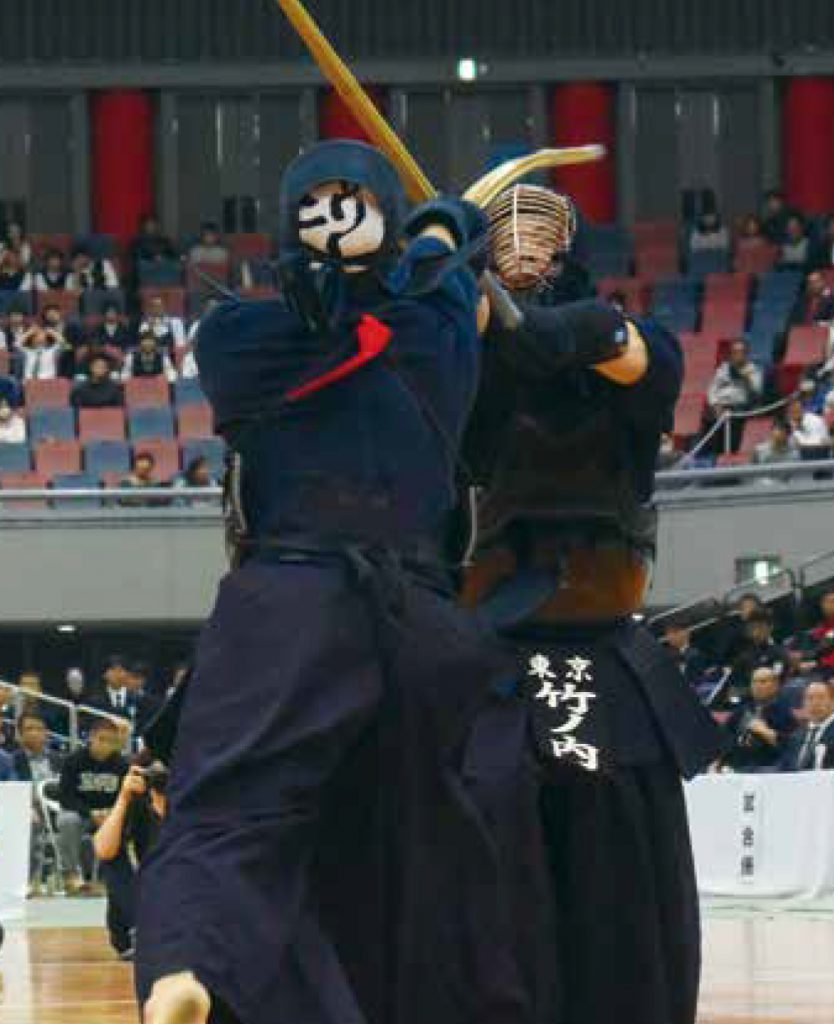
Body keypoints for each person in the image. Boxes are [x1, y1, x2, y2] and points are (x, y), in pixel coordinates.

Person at [136, 141, 522, 1024]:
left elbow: (331, 336)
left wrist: (421, 254)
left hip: (290, 600)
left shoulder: (236, 336)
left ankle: (188, 967)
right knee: (426, 845)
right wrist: (440, 235)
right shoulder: (438, 329)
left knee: (232, 810)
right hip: (424, 621)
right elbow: (443, 285)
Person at [459, 183, 724, 1024]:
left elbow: (627, 352)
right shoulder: (466, 362)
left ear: (573, 246)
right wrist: (458, 299)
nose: (522, 243)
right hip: (488, 659)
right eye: (502, 231)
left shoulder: (637, 347)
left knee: (621, 900)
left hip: (602, 652)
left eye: (541, 229)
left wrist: (547, 331)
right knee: (493, 891)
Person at [94, 753, 168, 959]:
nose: (161, 779)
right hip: (142, 906)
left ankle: (149, 934)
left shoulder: (191, 802)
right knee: (113, 857)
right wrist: (124, 797)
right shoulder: (138, 802)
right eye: (155, 774)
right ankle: (140, 930)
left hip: (181, 898)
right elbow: (103, 849)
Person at [56, 718, 128, 893]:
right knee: (67, 821)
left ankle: (109, 877)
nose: (105, 745)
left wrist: (111, 814)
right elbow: (65, 797)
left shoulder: (122, 765)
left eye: (111, 741)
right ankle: (71, 875)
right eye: (101, 739)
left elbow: (125, 797)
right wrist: (90, 812)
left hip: (110, 815)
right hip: (81, 814)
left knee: (126, 822)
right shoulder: (73, 761)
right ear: (91, 738)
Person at [12, 712, 63, 894]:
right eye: (29, 729)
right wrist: (27, 807)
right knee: (29, 824)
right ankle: (26, 882)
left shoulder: (60, 759)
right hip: (27, 810)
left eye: (39, 729)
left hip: (57, 810)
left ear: (47, 733)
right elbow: (12, 790)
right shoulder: (12, 760)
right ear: (19, 734)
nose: (35, 733)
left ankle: (74, 879)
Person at [721, 666, 795, 771]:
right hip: (736, 766)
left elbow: (791, 746)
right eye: (754, 682)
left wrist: (766, 732)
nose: (757, 686)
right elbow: (724, 737)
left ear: (775, 685)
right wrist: (718, 760)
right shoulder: (742, 710)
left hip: (768, 767)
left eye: (763, 682)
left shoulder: (784, 711)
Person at [706, 339, 764, 453]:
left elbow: (757, 392)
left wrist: (746, 378)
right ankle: (713, 457)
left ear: (746, 354)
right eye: (734, 352)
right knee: (707, 421)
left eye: (740, 352)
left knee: (733, 425)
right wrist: (715, 404)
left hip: (739, 408)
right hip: (720, 408)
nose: (737, 355)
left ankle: (732, 454)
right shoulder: (723, 369)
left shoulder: (753, 370)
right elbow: (712, 389)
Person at [779, 681, 834, 770]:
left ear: (832, 701)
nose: (815, 703)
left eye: (821, 697)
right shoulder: (796, 736)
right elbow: (784, 768)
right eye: (810, 698)